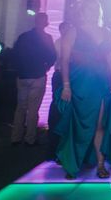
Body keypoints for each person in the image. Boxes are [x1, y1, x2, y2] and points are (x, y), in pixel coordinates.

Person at [55, 0, 111, 179]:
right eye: (89, 9)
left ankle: (100, 164)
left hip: (101, 83)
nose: (93, 12)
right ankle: (71, 164)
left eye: (96, 9)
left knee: (100, 124)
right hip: (80, 83)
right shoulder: (73, 32)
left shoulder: (106, 32)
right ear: (82, 12)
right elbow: (65, 60)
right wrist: (66, 85)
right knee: (77, 125)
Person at [10, 12, 57, 146]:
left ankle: (16, 137)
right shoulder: (47, 38)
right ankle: (30, 138)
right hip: (38, 75)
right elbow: (52, 56)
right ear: (46, 22)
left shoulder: (23, 36)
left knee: (20, 108)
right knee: (33, 109)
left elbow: (15, 54)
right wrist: (46, 66)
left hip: (23, 76)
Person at [47, 21, 71, 160]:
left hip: (65, 76)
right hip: (61, 76)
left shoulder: (62, 41)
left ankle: (59, 147)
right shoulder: (60, 42)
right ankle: (56, 148)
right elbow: (61, 60)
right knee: (58, 108)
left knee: (62, 109)